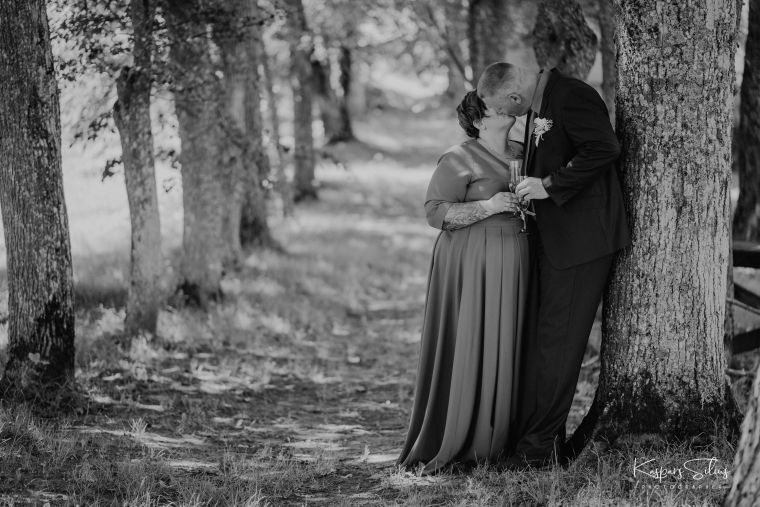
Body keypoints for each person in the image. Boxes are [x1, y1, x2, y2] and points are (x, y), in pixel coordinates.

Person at [476, 63, 631, 468]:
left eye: (505, 110)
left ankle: (538, 450)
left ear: (514, 96)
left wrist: (549, 186)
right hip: (555, 237)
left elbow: (604, 148)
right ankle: (540, 438)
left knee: (558, 345)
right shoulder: (540, 102)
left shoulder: (572, 95)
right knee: (545, 340)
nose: (508, 118)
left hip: (582, 241)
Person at [397, 91, 530, 474]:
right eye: (494, 106)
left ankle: (507, 435)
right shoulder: (459, 158)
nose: (505, 108)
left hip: (518, 258)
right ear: (478, 120)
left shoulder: (524, 152)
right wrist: (488, 206)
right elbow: (435, 213)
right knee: (473, 337)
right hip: (471, 260)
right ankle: (461, 433)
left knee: (510, 341)